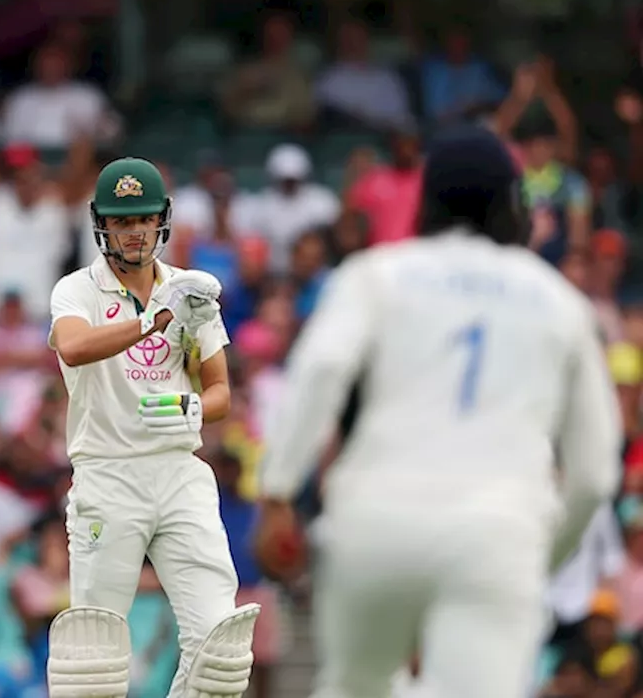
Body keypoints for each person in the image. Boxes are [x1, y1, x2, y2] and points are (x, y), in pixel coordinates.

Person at [255, 125, 621, 698]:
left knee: (354, 687)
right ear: (512, 205)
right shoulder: (561, 303)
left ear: (425, 200)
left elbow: (322, 370)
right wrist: (540, 554)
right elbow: (597, 474)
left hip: (375, 519)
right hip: (499, 531)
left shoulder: (377, 273)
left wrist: (276, 492)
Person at [45, 157, 260, 698]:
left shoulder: (191, 295)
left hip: (179, 472)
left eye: (143, 219)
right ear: (102, 225)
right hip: (108, 474)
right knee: (90, 662)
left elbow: (220, 393)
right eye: (122, 221)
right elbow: (71, 346)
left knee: (221, 651)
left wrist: (195, 409)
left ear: (161, 220)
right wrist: (151, 320)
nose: (135, 231)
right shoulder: (77, 290)